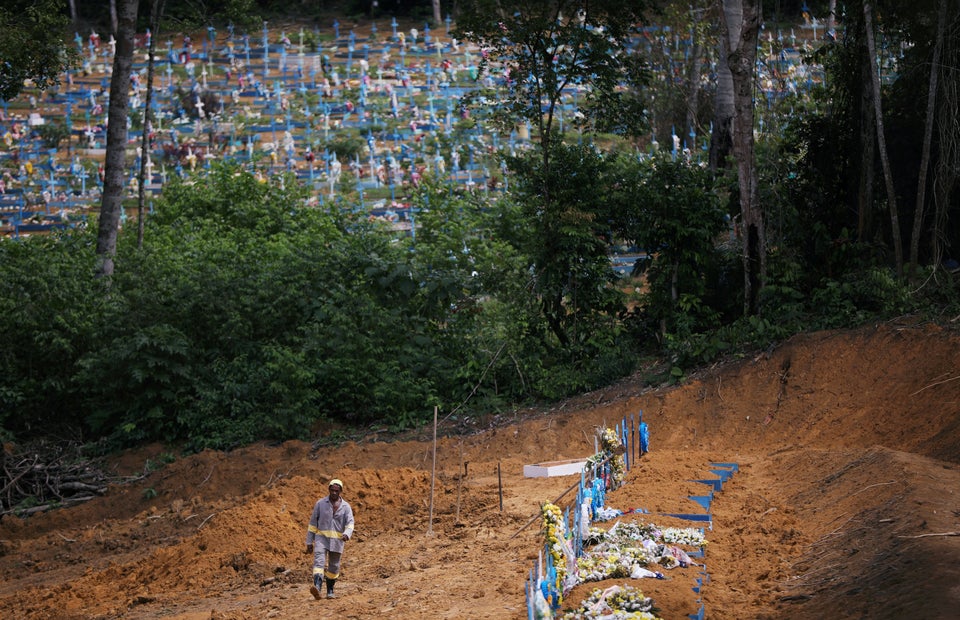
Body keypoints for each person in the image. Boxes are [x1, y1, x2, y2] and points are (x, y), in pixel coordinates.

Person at [305, 478, 354, 600]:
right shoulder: (320, 504)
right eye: (332, 490)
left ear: (340, 491)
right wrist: (309, 541)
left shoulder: (346, 507)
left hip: (337, 541)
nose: (334, 493)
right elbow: (312, 524)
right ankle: (317, 587)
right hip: (321, 539)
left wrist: (347, 534)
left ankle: (330, 590)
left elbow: (350, 523)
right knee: (319, 562)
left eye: (336, 491)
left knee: (334, 566)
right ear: (329, 490)